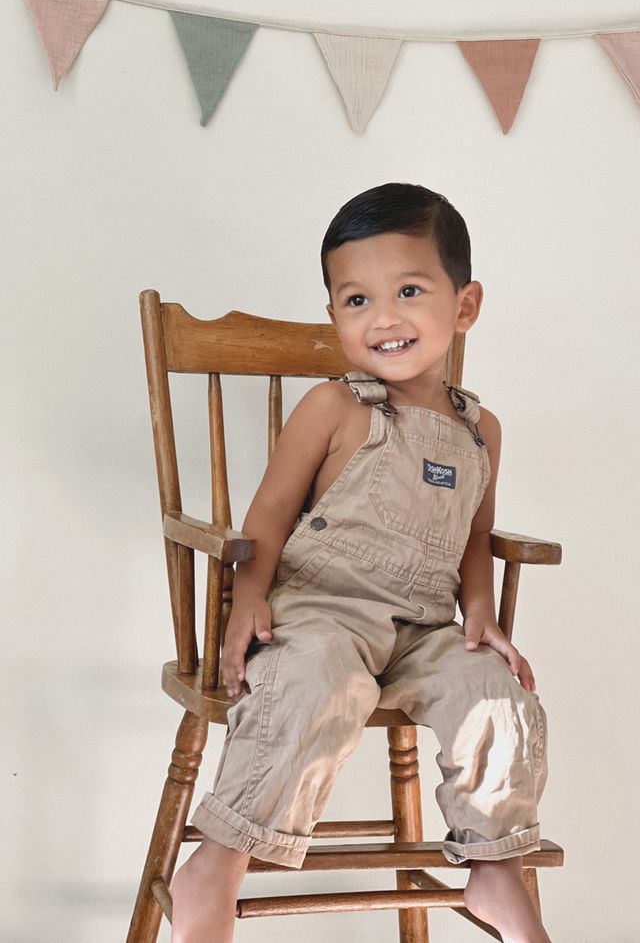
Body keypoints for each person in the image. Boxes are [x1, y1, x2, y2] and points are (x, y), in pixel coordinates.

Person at [170, 182, 551, 943]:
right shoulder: (334, 406)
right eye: (355, 299)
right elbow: (268, 516)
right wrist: (248, 596)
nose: (383, 317)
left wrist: (482, 614)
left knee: (497, 695)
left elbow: (475, 538)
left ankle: (494, 866)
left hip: (424, 627)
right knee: (318, 683)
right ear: (334, 315)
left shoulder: (482, 432)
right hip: (320, 612)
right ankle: (219, 858)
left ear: (464, 304)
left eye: (409, 290)